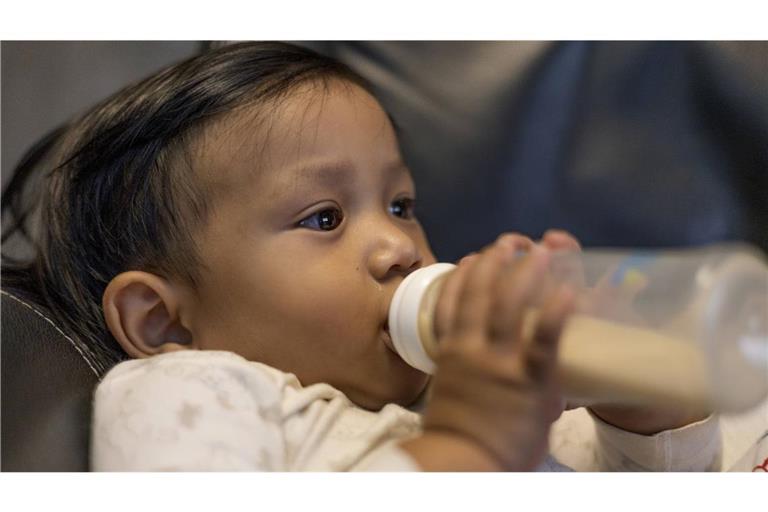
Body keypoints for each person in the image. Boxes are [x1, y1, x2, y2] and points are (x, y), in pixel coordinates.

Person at [1, 42, 722, 471]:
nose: (397, 247)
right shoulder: (192, 395)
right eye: (324, 217)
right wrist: (470, 440)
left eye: (402, 205)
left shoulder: (458, 385)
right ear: (164, 324)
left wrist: (642, 404)